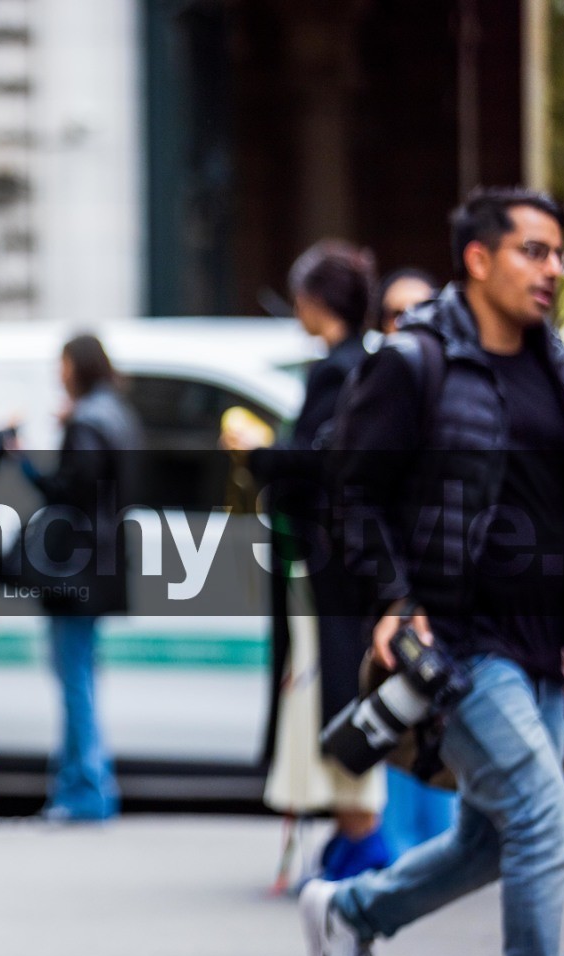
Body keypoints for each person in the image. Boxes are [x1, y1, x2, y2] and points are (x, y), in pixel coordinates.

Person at [300, 188, 564, 956]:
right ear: (479, 259)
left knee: (493, 837)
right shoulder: (416, 360)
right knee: (542, 814)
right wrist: (394, 597)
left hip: (541, 638)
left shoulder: (558, 367)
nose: (553, 268)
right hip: (455, 640)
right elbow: (351, 493)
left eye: (559, 253)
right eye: (534, 250)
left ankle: (352, 912)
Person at [232, 240, 390, 880]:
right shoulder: (368, 365)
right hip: (351, 563)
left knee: (332, 696)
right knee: (334, 695)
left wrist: (257, 451)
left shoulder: (335, 370)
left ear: (317, 301)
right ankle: (356, 845)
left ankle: (363, 846)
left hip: (327, 565)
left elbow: (319, 462)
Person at [11, 334, 140, 822]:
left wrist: (25, 462)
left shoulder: (87, 421)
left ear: (78, 367)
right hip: (102, 568)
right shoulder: (118, 415)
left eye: (62, 364)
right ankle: (77, 784)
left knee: (74, 680)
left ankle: (86, 788)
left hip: (76, 573)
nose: (58, 373)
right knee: (80, 674)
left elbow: (69, 492)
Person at [371, 267, 461, 858]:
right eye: (395, 314)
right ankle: (401, 857)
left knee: (447, 731)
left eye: (421, 310)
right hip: (397, 598)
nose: (408, 323)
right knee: (401, 723)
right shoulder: (378, 386)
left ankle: (435, 853)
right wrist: (394, 594)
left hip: (452, 598)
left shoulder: (458, 388)